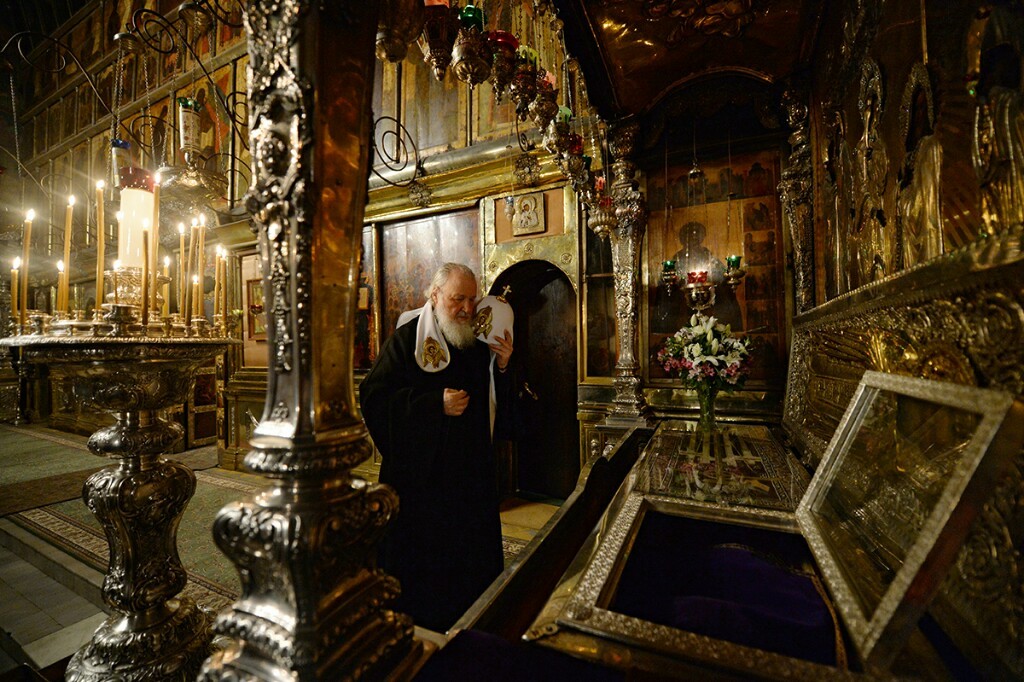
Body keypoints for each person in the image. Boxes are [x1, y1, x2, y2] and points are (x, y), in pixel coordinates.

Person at [359, 262, 514, 632]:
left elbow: (497, 405)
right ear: (434, 295)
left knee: (469, 567)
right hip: (422, 485)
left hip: (469, 480)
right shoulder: (406, 341)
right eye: (458, 299)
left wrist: (503, 366)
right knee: (424, 571)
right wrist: (433, 404)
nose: (466, 308)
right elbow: (374, 396)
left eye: (471, 300)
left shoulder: (475, 344)